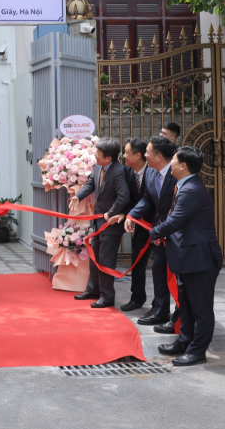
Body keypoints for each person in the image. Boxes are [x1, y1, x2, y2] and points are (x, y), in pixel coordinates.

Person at [152, 146, 223, 366]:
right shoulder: (185, 185)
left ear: (183, 165)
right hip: (187, 257)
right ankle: (184, 341)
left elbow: (175, 222)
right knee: (186, 304)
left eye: (173, 159)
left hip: (199, 258)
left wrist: (153, 232)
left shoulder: (191, 189)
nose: (170, 162)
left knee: (201, 308)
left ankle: (197, 351)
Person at [70, 137, 130, 308]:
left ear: (109, 158)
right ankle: (93, 290)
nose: (95, 156)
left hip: (110, 224)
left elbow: (123, 197)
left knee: (105, 261)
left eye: (98, 154)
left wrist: (110, 213)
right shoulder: (99, 166)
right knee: (94, 257)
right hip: (98, 223)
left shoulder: (118, 171)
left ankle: (107, 296)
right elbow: (90, 184)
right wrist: (78, 196)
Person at [124, 136, 177, 327]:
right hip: (158, 234)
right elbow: (147, 199)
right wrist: (131, 215)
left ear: (159, 156)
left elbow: (179, 207)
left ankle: (179, 316)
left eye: (147, 152)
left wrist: (165, 229)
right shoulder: (150, 173)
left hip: (177, 233)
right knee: (158, 272)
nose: (145, 155)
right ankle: (160, 311)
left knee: (178, 276)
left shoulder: (178, 171)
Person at [119, 137, 151, 312]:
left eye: (126, 152)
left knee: (162, 266)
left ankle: (159, 305)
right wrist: (126, 215)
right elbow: (131, 198)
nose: (123, 155)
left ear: (138, 155)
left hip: (159, 226)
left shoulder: (153, 172)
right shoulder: (128, 172)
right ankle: (137, 298)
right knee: (137, 261)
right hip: (140, 223)